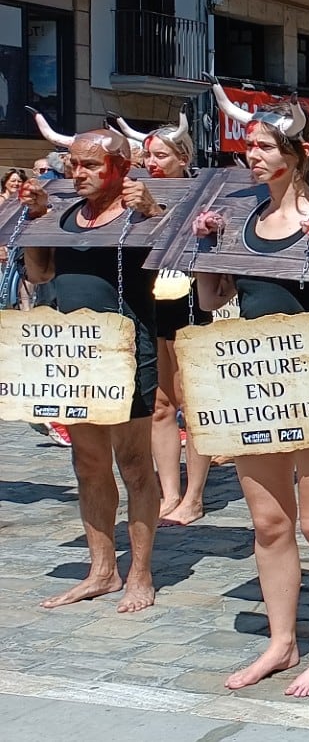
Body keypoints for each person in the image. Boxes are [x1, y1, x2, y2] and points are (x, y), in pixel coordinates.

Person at [192, 88, 309, 696]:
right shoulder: (245, 221)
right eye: (249, 146)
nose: (251, 155)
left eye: (263, 146)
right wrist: (209, 250)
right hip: (252, 381)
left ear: (299, 152)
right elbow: (212, 302)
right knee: (267, 522)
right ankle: (282, 641)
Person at [18, 129, 163, 613]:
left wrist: (152, 213)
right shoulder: (63, 213)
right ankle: (102, 569)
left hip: (127, 350)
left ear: (120, 168)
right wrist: (37, 221)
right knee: (88, 463)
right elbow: (39, 275)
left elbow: (172, 263)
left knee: (136, 465)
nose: (75, 174)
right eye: (72, 164)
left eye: (88, 166)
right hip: (73, 355)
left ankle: (140, 573)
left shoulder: (139, 213)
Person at [116, 113, 214, 526]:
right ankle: (168, 491)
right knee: (159, 404)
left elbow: (194, 244)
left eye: (161, 155)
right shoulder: (134, 193)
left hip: (187, 304)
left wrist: (155, 211)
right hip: (148, 303)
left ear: (182, 157)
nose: (152, 162)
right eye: (148, 155)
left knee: (192, 405)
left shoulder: (202, 193)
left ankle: (194, 496)